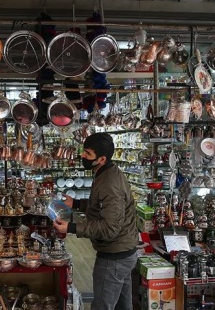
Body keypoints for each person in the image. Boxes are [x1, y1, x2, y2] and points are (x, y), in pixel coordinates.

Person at [53, 132, 138, 310]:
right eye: (84, 151)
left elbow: (109, 228)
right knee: (123, 306)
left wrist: (72, 227)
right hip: (122, 252)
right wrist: (75, 203)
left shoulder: (109, 183)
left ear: (101, 159)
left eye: (88, 154)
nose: (82, 155)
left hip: (114, 257)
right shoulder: (106, 174)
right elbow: (104, 208)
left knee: (102, 305)